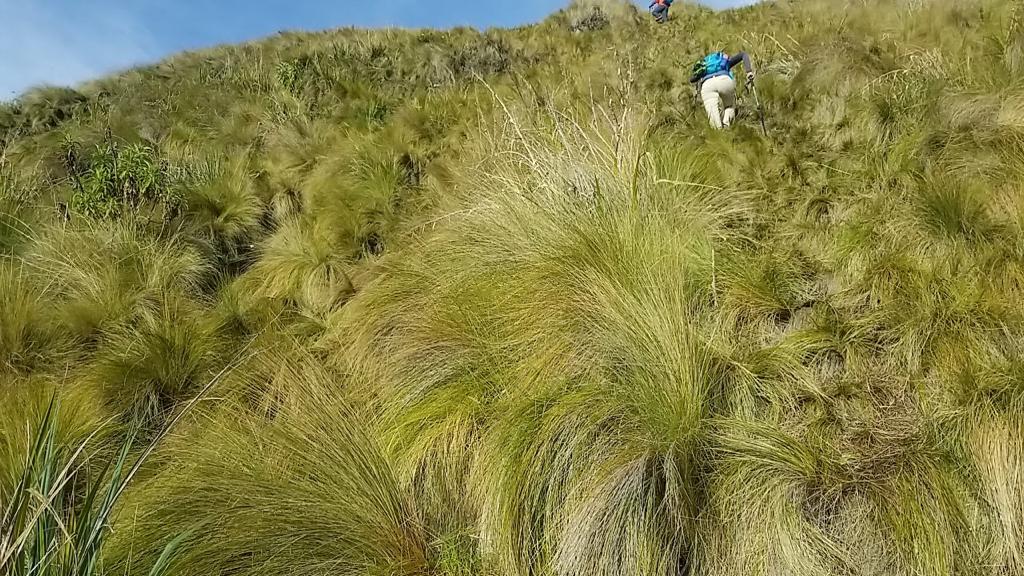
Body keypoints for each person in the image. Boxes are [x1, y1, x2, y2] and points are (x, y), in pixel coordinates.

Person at [689, 50, 756, 129]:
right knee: (730, 106)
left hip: (708, 84)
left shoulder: (704, 68)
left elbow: (692, 79)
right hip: (724, 80)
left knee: (713, 119)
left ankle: (718, 134)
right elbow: (743, 54)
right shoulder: (724, 63)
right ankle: (727, 126)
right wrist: (749, 71)